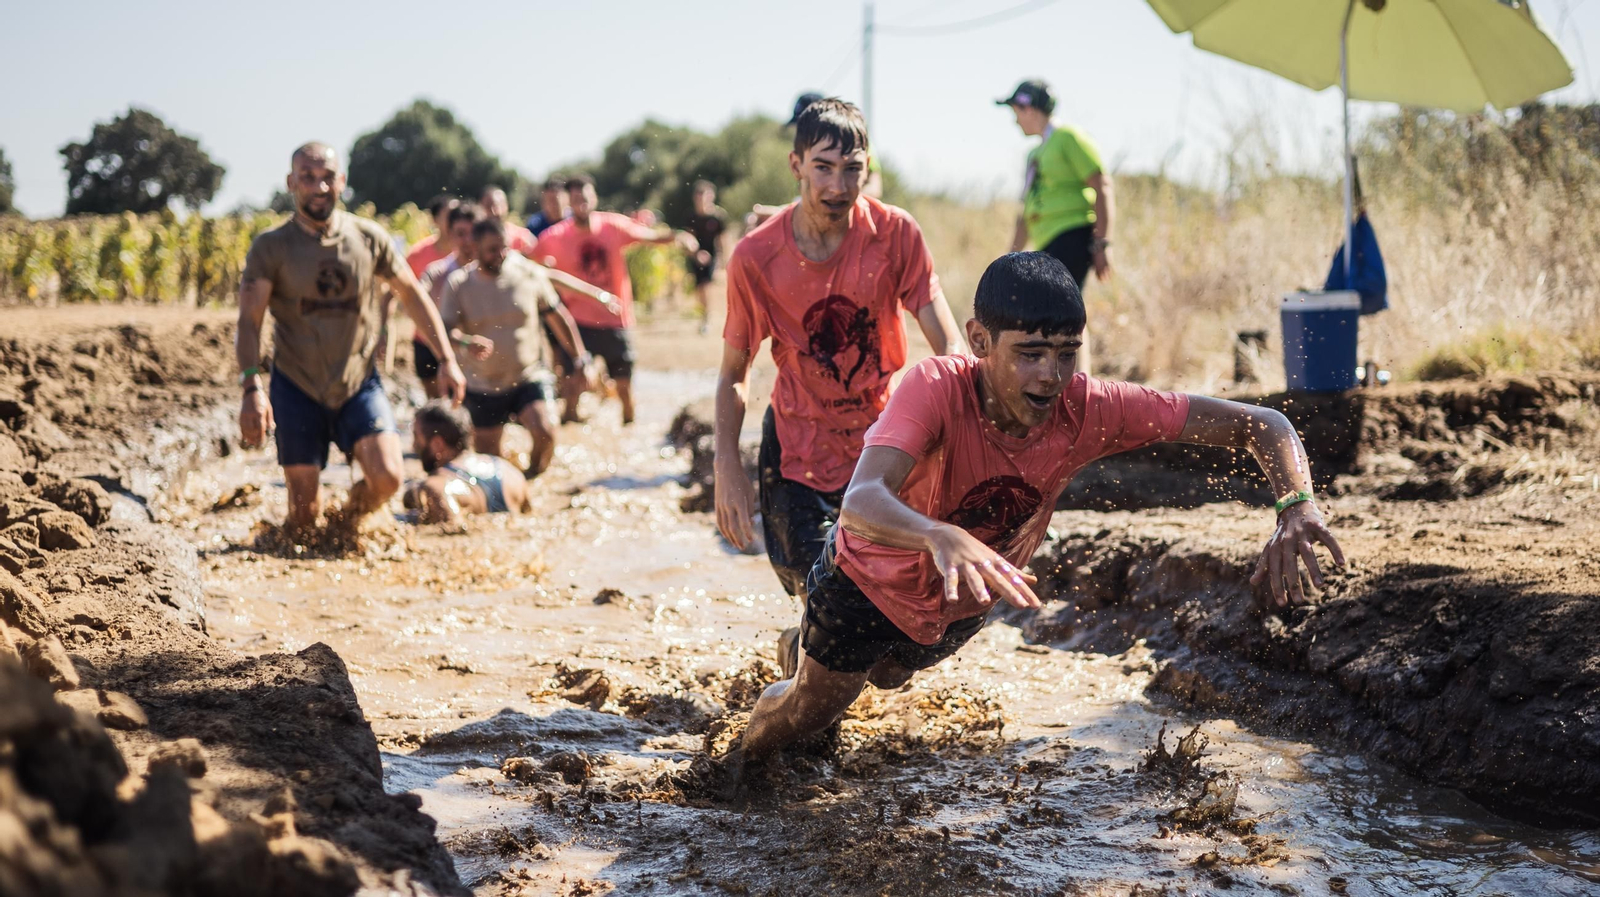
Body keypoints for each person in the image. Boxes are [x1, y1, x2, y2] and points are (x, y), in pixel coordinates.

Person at [716, 250, 1346, 782]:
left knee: (888, 675)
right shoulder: (936, 386)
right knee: (814, 710)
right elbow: (860, 501)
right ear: (980, 341)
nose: (1051, 376)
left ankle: (802, 648)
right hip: (866, 579)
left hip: (959, 598)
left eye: (1067, 353)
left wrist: (1296, 505)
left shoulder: (1090, 406)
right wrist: (939, 534)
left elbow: (1261, 425)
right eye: (1032, 353)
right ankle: (729, 772)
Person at [715, 98, 967, 611]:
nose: (837, 186)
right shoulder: (756, 257)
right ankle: (801, 661)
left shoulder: (896, 235)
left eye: (852, 169)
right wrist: (727, 467)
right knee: (822, 599)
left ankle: (805, 660)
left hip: (881, 447)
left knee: (887, 604)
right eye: (823, 168)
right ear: (796, 166)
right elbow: (733, 375)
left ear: (867, 168)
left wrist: (966, 434)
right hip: (796, 454)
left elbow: (950, 347)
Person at [236, 142, 465, 532]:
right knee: (304, 518)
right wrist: (251, 385)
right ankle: (313, 531)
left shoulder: (368, 238)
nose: (319, 187)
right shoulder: (271, 248)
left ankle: (347, 523)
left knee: (389, 478)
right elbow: (249, 322)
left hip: (359, 384)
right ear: (292, 182)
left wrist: (447, 358)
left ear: (341, 181)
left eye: (327, 177)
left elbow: (411, 294)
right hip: (297, 386)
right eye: (308, 178)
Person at [535, 173, 696, 425]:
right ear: (568, 202)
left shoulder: (613, 226)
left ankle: (628, 428)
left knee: (624, 390)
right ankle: (574, 438)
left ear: (594, 197)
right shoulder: (554, 236)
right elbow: (526, 263)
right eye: (575, 198)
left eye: (585, 196)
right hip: (578, 322)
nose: (581, 202)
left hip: (614, 319)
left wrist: (678, 236)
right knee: (572, 390)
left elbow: (650, 237)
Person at [437, 218, 587, 478]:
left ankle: (531, 481)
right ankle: (508, 491)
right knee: (489, 464)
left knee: (546, 432)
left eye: (504, 247)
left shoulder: (528, 273)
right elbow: (444, 330)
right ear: (475, 248)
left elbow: (558, 317)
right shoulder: (459, 284)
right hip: (482, 383)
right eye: (492, 250)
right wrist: (466, 342)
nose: (501, 255)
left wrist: (579, 358)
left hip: (527, 376)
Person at [998, 78, 1114, 373]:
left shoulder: (1068, 138)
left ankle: (1080, 383)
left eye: (1017, 110)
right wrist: (1010, 259)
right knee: (1050, 311)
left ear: (1030, 108)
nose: (1014, 119)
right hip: (1047, 241)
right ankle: (1066, 378)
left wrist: (1102, 243)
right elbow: (1025, 213)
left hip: (1072, 234)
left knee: (1065, 309)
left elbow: (1101, 184)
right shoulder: (1034, 154)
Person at [748, 93, 886, 228]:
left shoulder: (857, 142)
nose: (800, 132)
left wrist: (838, 202)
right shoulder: (804, 152)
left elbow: (875, 188)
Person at [407, 400, 530, 524]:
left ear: (437, 444)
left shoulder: (436, 486)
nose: (413, 445)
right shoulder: (510, 470)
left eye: (416, 437)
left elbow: (451, 529)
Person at [405, 194, 462, 398]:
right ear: (435, 220)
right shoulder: (418, 254)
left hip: (460, 341)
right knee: (436, 403)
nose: (455, 220)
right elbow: (394, 291)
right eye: (450, 216)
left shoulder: (468, 253)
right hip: (425, 339)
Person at [685, 180, 729, 334]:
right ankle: (705, 314)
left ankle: (706, 318)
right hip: (695, 256)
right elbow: (689, 240)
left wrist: (724, 261)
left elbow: (722, 240)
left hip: (712, 256)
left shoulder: (718, 217)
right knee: (699, 289)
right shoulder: (691, 216)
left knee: (705, 286)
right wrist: (696, 254)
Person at [480, 184, 539, 256]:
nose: (494, 211)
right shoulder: (474, 237)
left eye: (497, 206)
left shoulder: (522, 238)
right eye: (488, 206)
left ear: (506, 206)